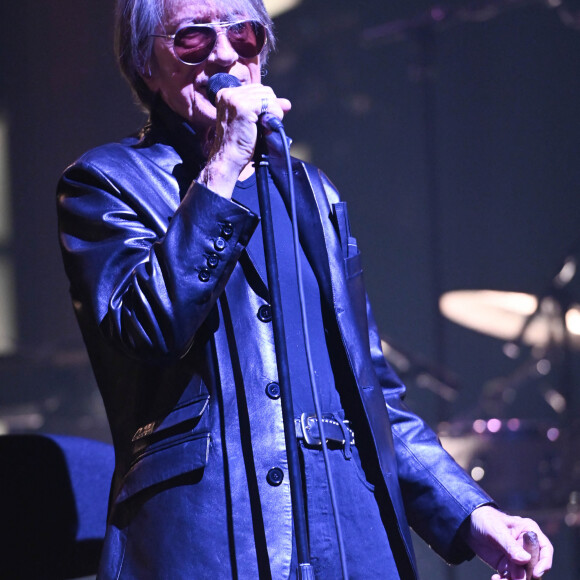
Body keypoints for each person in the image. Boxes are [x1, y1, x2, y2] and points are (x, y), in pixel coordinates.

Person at [56, 0, 554, 578]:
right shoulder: (106, 182)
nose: (223, 53)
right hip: (211, 539)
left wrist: (471, 514)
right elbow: (148, 328)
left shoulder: (312, 192)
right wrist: (222, 170)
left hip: (351, 531)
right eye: (192, 38)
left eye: (242, 35)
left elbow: (372, 393)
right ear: (146, 63)